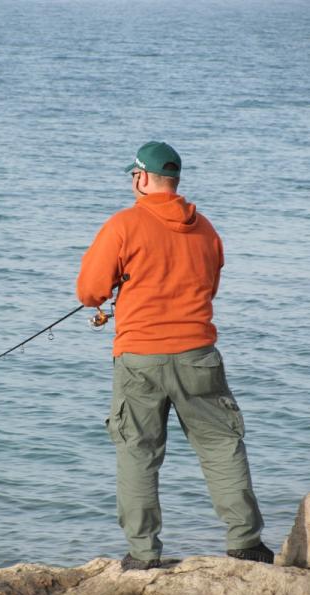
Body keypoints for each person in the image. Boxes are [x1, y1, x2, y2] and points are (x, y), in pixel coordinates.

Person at [76, 141, 274, 570]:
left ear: (143, 178)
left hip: (139, 358)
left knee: (138, 451)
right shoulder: (206, 230)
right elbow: (209, 286)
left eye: (134, 176)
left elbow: (90, 291)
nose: (132, 182)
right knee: (221, 445)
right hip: (198, 355)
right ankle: (246, 542)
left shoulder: (123, 225)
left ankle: (143, 553)